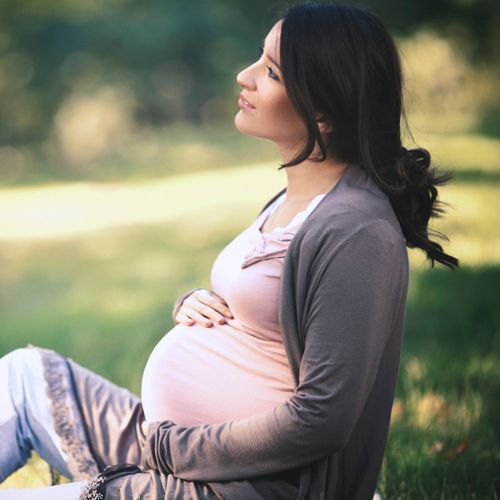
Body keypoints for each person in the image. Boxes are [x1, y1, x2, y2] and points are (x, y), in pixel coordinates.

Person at [0, 2, 460, 499]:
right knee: (24, 377)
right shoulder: (295, 198)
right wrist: (196, 304)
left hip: (245, 487)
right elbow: (267, 312)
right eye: (257, 58)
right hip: (179, 451)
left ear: (323, 112)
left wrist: (173, 451)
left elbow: (322, 419)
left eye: (271, 71)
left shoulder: (358, 232)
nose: (245, 76)